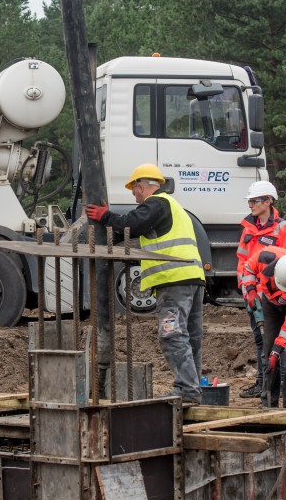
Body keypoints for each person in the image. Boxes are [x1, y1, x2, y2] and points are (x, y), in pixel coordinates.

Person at [85, 163, 206, 403]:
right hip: (191, 278)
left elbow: (132, 223)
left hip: (173, 280)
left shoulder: (157, 203)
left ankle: (187, 390)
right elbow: (131, 230)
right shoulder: (172, 207)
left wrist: (105, 216)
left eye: (134, 191)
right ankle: (193, 388)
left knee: (171, 334)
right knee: (190, 336)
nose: (135, 197)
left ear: (141, 187)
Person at [236, 180, 286, 399]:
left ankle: (280, 384)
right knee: (260, 340)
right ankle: (263, 383)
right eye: (250, 201)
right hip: (252, 294)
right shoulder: (248, 228)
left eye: (255, 201)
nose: (250, 205)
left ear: (269, 201)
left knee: (277, 341)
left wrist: (275, 293)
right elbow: (242, 260)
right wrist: (246, 288)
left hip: (274, 296)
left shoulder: (284, 229)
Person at [242, 247, 286, 408]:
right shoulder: (264, 257)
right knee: (268, 349)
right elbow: (248, 269)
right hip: (270, 301)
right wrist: (251, 290)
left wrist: (277, 351)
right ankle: (268, 403)